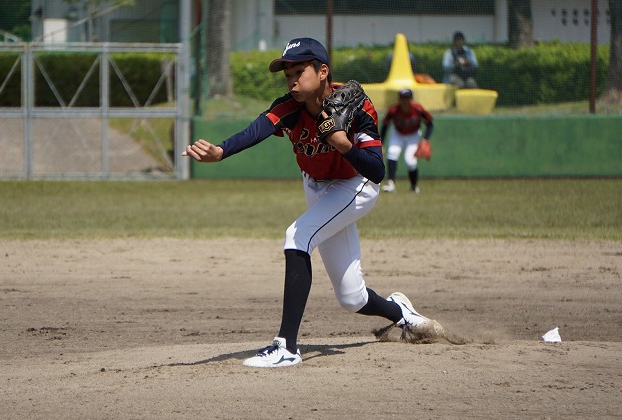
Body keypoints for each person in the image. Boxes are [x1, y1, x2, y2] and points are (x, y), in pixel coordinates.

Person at [182, 37, 442, 368]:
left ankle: (286, 346)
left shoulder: (357, 108)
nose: (292, 79)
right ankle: (400, 312)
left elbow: (377, 171)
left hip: (354, 186)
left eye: (299, 71)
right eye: (287, 73)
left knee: (298, 235)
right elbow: (258, 129)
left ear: (322, 71)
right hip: (317, 186)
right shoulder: (289, 107)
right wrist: (221, 151)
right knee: (352, 297)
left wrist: (344, 145)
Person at [380, 88, 434, 194]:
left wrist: (425, 139)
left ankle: (414, 187)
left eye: (407, 98)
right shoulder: (393, 110)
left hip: (413, 135)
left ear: (411, 99)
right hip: (397, 133)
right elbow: (385, 126)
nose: (405, 101)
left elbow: (430, 124)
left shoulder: (418, 109)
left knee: (410, 161)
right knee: (392, 153)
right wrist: (381, 143)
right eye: (402, 98)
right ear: (399, 99)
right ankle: (391, 183)